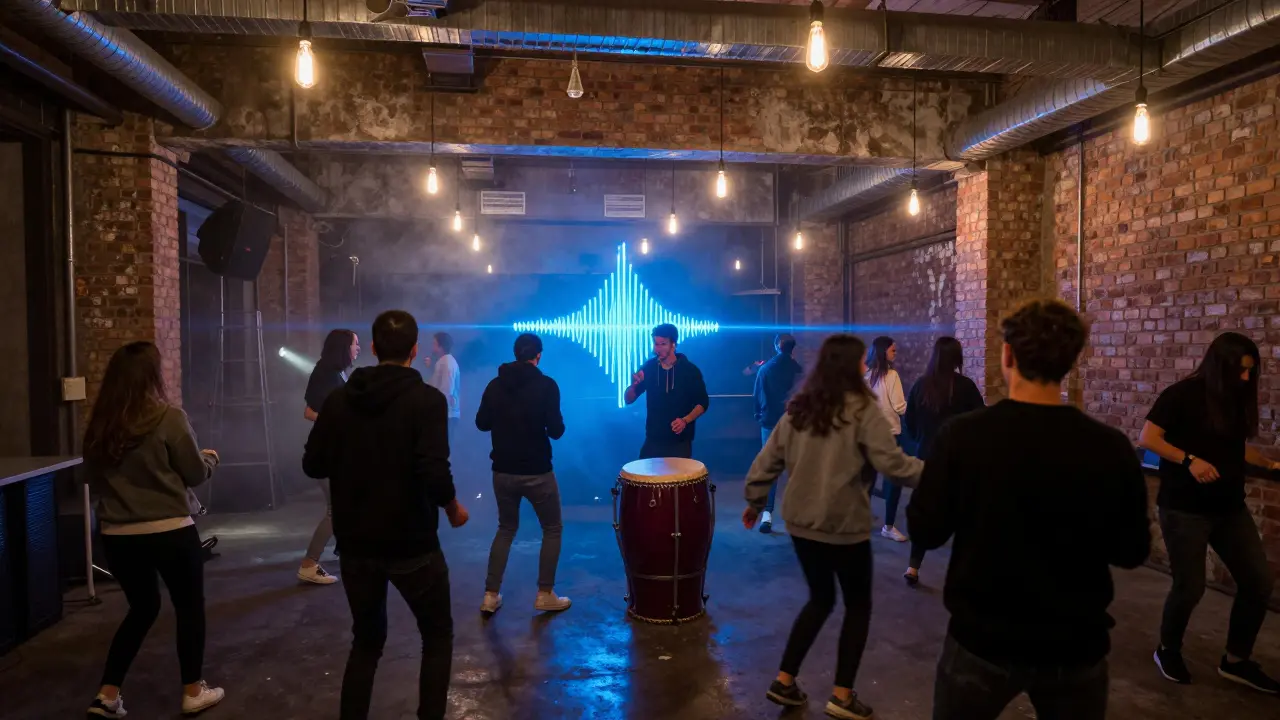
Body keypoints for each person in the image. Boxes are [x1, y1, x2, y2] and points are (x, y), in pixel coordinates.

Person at [907, 299, 1151, 720]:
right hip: (1075, 643)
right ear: (1070, 361)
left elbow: (926, 531)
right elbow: (1131, 550)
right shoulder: (1109, 447)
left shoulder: (963, 437)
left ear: (1007, 355)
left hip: (982, 638)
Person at [744, 334, 923, 720]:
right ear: (850, 365)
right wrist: (937, 473)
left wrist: (756, 501)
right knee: (858, 605)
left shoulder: (799, 408)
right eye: (861, 362)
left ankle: (784, 681)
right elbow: (895, 465)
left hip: (802, 524)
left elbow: (767, 459)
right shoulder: (863, 410)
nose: (865, 367)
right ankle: (841, 696)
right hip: (844, 526)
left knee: (820, 599)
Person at [303, 310, 469, 720]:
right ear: (414, 350)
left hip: (357, 545)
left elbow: (313, 464)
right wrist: (451, 506)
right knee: (437, 635)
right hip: (413, 542)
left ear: (374, 349)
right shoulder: (427, 401)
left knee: (367, 642)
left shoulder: (340, 401)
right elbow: (433, 468)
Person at [82, 341, 225, 718]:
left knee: (142, 609)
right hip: (170, 531)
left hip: (119, 537)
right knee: (189, 608)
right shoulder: (169, 418)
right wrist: (209, 459)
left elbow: (91, 477)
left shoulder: (100, 425)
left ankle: (107, 694)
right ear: (153, 376)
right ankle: (193, 690)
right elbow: (194, 473)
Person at [1139, 332, 1280, 693]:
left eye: (1251, 371)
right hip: (1184, 509)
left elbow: (1233, 448)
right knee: (1190, 587)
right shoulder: (1181, 395)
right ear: (1220, 365)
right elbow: (1149, 439)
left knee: (1258, 582)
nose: (1247, 378)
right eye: (1241, 370)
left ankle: (1236, 660)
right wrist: (1189, 461)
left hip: (1229, 508)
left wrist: (1266, 462)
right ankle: (1167, 649)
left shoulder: (1233, 399)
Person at [475, 333, 571, 615]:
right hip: (537, 470)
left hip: (502, 471)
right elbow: (557, 430)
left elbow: (482, 423)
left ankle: (490, 596)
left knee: (506, 528)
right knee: (552, 528)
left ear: (516, 353)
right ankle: (545, 593)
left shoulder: (495, 384)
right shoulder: (547, 385)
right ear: (538, 355)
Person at [900, 336, 984, 586]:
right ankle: (966, 573)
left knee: (926, 513)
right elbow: (980, 419)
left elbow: (910, 423)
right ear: (957, 358)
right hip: (959, 460)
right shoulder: (966, 387)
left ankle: (913, 568)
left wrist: (921, 441)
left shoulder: (920, 385)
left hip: (927, 457)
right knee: (965, 515)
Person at [297, 328, 360, 586]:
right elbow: (310, 412)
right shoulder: (327, 374)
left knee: (345, 506)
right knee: (337, 510)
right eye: (355, 344)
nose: (358, 348)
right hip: (327, 456)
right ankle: (309, 563)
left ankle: (344, 550)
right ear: (344, 347)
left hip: (332, 453)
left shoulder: (332, 372)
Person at [625, 323, 710, 459]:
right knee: (644, 478)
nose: (657, 349)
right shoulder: (649, 368)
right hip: (653, 438)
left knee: (678, 479)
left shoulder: (689, 370)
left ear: (673, 345)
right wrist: (634, 386)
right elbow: (628, 400)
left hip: (680, 441)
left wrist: (685, 420)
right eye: (656, 344)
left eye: (663, 344)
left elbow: (703, 403)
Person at [752, 333, 803, 534]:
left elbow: (757, 395)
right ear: (793, 349)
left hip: (770, 422)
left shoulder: (765, 369)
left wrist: (759, 415)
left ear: (776, 346)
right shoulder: (798, 370)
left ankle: (767, 514)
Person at [865, 336, 909, 542]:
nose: (895, 354)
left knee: (867, 479)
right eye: (893, 351)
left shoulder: (865, 375)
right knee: (893, 482)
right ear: (884, 352)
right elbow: (900, 406)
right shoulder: (891, 376)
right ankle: (888, 526)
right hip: (889, 434)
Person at [425, 331, 461, 441]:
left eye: (434, 344)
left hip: (446, 414)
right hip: (445, 413)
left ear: (441, 346)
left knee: (443, 446)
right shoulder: (443, 361)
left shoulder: (447, 362)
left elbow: (446, 389)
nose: (432, 347)